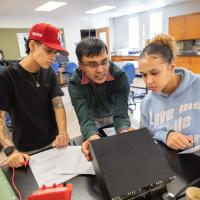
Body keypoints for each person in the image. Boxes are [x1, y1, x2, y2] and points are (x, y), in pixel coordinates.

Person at [0, 23, 69, 168]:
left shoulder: (49, 72)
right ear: (32, 45)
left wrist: (63, 133)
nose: (53, 57)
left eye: (55, 52)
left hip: (54, 143)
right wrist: (11, 151)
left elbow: (58, 104)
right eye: (48, 50)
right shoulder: (7, 77)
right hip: (26, 149)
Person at [68, 37, 133, 161]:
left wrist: (124, 131)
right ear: (80, 65)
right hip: (93, 117)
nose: (100, 69)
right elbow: (85, 116)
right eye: (92, 64)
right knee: (97, 150)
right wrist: (92, 137)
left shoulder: (120, 76)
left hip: (113, 114)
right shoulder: (75, 83)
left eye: (104, 62)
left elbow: (121, 113)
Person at [139, 33, 200, 150]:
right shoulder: (147, 103)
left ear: (171, 67)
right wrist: (166, 135)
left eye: (154, 73)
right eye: (144, 75)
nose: (149, 81)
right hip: (171, 162)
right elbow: (147, 138)